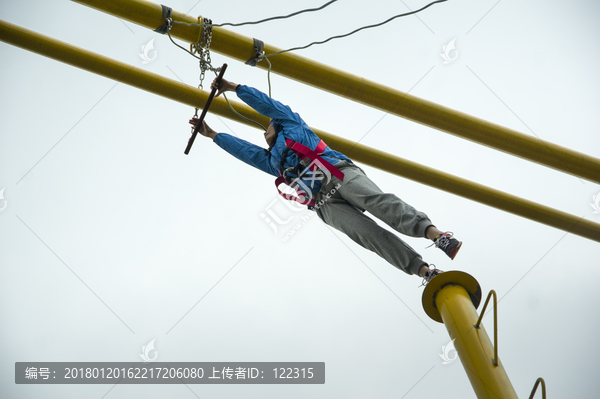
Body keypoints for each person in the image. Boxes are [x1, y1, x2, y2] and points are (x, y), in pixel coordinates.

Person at [190, 77, 462, 286]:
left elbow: (265, 104)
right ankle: (424, 270)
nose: (264, 131)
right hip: (324, 203)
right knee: (368, 235)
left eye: (267, 126)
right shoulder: (273, 162)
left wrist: (233, 87)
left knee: (378, 203)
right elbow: (246, 153)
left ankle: (437, 236)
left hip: (336, 172)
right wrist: (213, 134)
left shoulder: (290, 122)